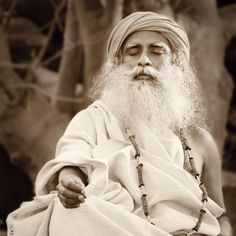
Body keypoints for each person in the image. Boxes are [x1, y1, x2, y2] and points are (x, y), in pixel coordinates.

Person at [7, 11, 232, 236]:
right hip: (114, 228)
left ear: (176, 63)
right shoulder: (94, 119)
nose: (143, 60)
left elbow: (220, 216)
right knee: (67, 211)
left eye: (156, 51)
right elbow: (73, 157)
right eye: (133, 52)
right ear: (118, 63)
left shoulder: (199, 141)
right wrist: (70, 181)